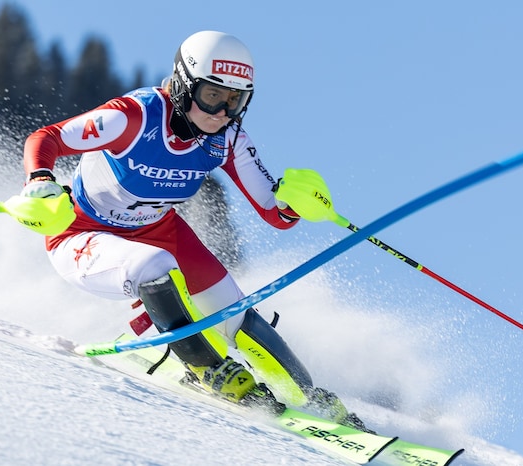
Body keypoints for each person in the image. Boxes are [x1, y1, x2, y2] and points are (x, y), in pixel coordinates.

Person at [19, 30, 369, 431]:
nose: (222, 112)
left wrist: (301, 201)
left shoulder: (228, 138)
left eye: (235, 101)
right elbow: (46, 138)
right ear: (184, 84)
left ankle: (309, 398)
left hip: (158, 230)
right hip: (82, 233)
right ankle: (207, 369)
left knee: (234, 313)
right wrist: (40, 181)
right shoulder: (134, 116)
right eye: (212, 96)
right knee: (154, 264)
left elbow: (276, 214)